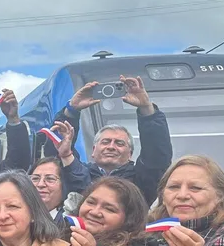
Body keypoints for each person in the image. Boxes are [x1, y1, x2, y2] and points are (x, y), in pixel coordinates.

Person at [50, 76, 173, 204]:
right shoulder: (75, 174)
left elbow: (157, 156)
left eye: (119, 143)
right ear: (94, 150)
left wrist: (146, 108)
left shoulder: (141, 181)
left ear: (130, 154)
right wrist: (71, 109)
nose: (111, 147)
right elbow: (56, 155)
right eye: (105, 142)